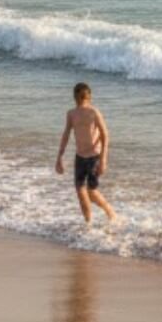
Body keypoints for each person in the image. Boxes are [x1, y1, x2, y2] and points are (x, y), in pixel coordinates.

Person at [55, 82, 117, 225]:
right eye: (79, 98)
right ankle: (88, 224)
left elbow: (105, 135)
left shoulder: (94, 112)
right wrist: (59, 156)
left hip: (94, 156)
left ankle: (110, 212)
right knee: (81, 193)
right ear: (75, 98)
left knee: (92, 192)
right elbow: (66, 135)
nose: (81, 101)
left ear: (89, 97)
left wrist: (103, 159)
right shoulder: (71, 114)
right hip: (80, 157)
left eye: (83, 98)